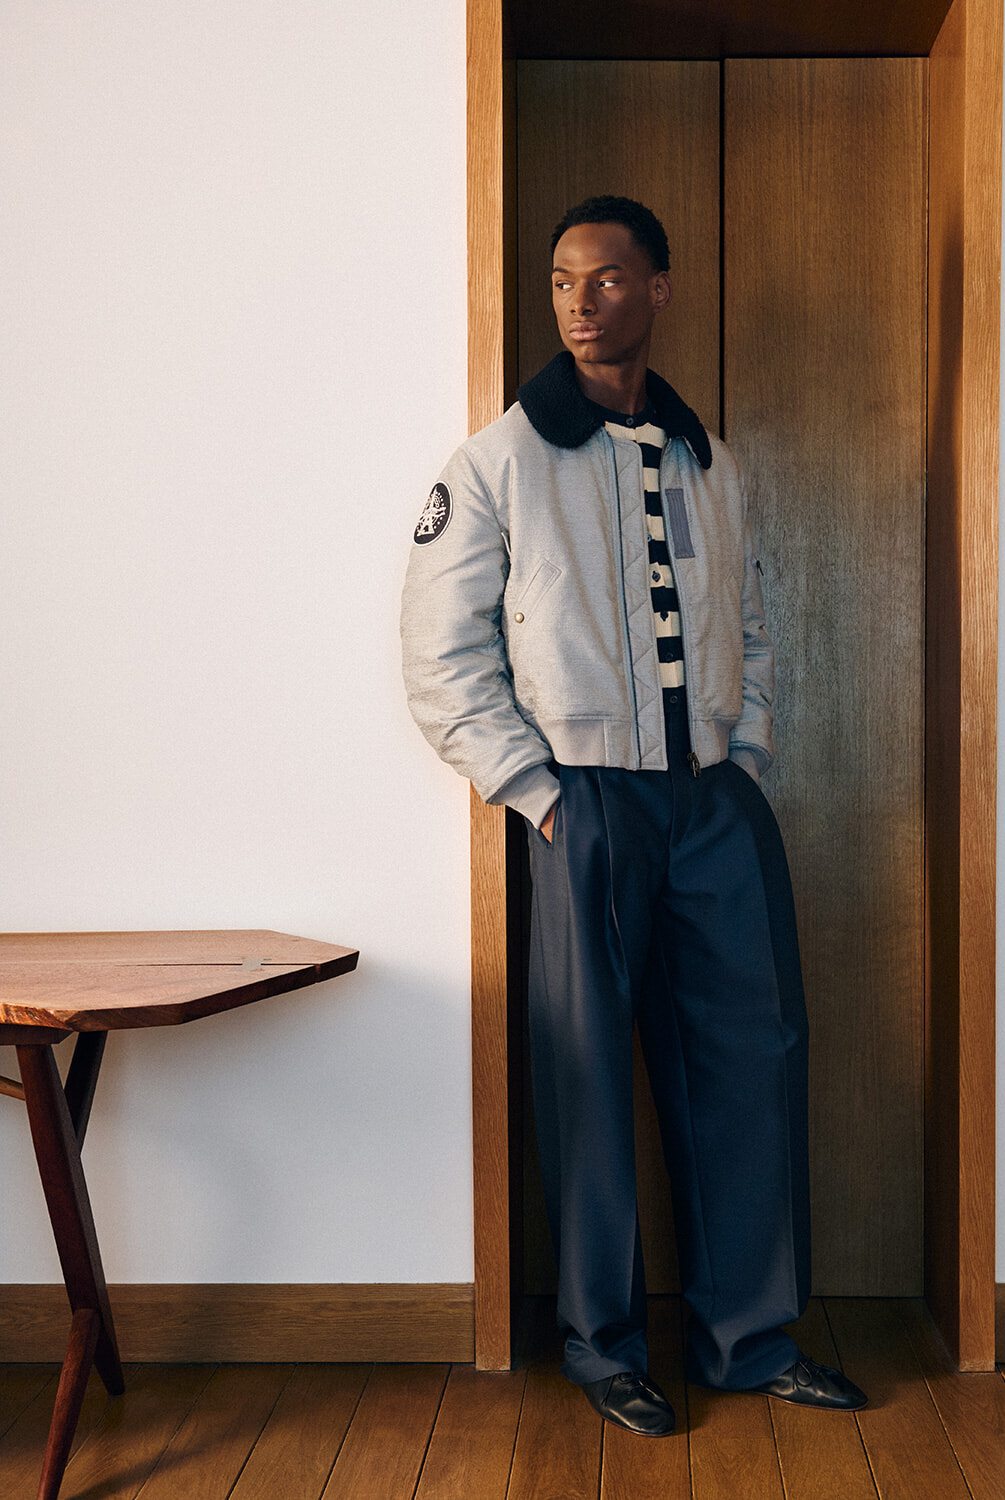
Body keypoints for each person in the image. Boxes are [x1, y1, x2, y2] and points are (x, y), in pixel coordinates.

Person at [401, 195, 866, 1436]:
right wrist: (541, 795)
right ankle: (604, 1348)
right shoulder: (497, 461)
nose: (582, 300)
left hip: (714, 804)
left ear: (657, 288)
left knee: (751, 1060)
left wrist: (746, 753)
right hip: (586, 806)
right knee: (591, 1069)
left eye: (607, 279)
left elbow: (755, 628)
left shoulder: (711, 461)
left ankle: (749, 1336)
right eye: (562, 282)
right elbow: (441, 660)